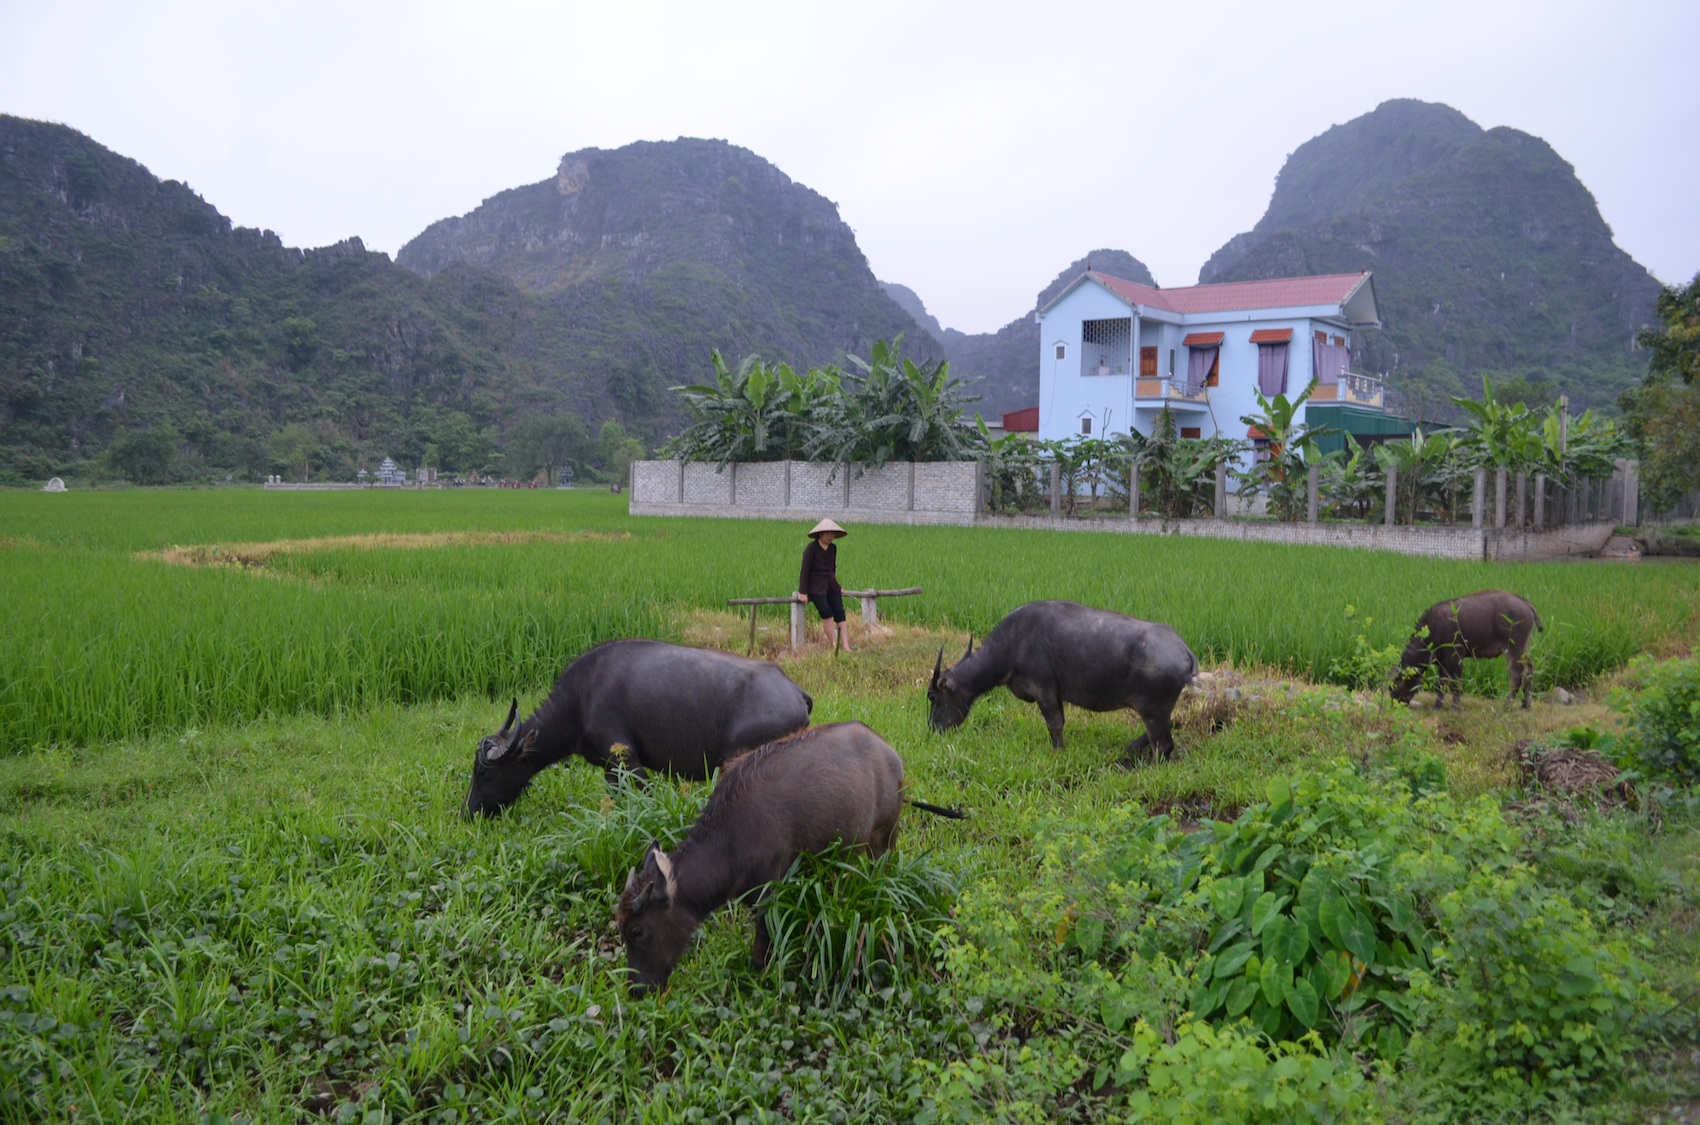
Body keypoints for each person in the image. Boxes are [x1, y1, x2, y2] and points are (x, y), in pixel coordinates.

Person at [795, 518, 852, 653]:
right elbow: (805, 570)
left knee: (840, 614)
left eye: (832, 533)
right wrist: (802, 591)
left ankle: (846, 646)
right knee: (827, 614)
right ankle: (834, 646)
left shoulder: (833, 548)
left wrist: (838, 586)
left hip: (831, 585)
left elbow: (832, 570)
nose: (830, 536)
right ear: (820, 534)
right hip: (816, 587)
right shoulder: (811, 549)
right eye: (827, 533)